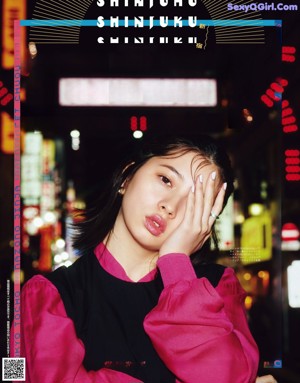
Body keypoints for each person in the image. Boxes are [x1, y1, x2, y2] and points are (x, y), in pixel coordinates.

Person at [12, 135, 277, 383]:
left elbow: (226, 375)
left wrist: (176, 263)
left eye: (196, 203)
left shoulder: (219, 287)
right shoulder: (48, 296)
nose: (171, 206)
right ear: (127, 176)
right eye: (166, 180)